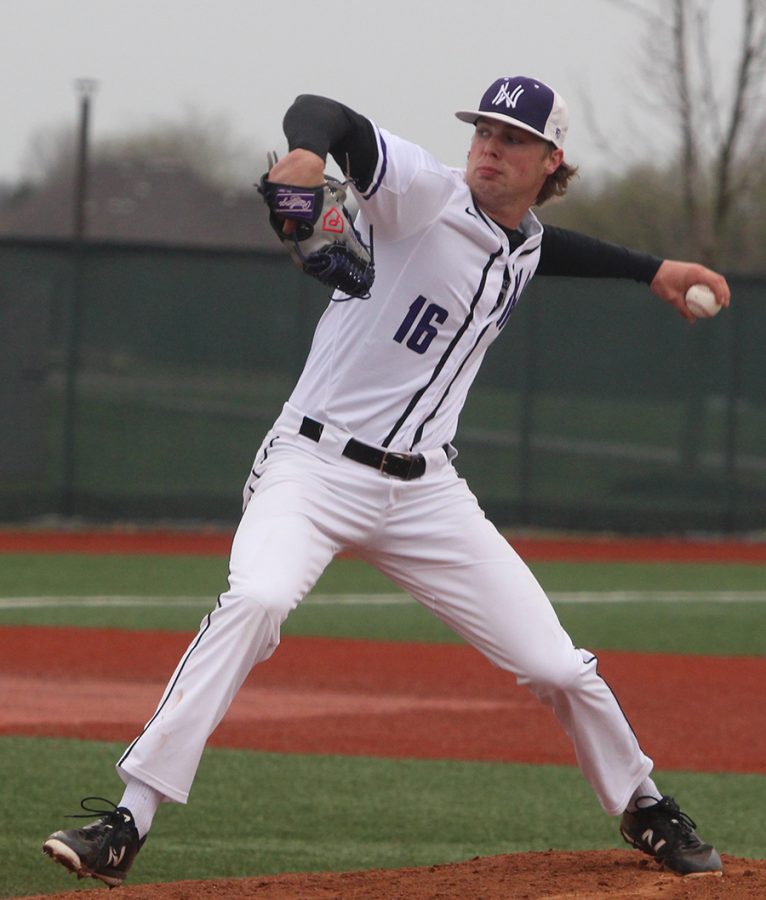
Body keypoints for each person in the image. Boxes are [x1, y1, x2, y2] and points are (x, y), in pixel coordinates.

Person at [42, 75, 730, 886]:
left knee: (558, 667)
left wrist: (651, 269)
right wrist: (306, 150)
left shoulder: (523, 243)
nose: (489, 147)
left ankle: (644, 804)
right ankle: (128, 818)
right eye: (484, 130)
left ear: (551, 161)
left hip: (427, 492)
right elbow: (326, 114)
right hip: (313, 466)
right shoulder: (418, 192)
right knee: (256, 601)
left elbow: (551, 249)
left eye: (513, 139)